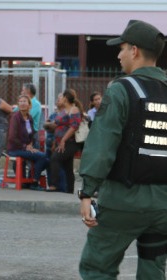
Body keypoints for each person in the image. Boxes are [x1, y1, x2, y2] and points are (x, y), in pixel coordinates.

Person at [78, 20, 167, 279]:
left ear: (135, 51)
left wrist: (87, 192)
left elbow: (102, 144)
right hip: (163, 206)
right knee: (153, 269)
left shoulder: (122, 90)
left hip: (123, 201)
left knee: (97, 267)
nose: (118, 55)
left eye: (123, 48)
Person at [6, 95, 49, 190]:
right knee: (42, 156)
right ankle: (34, 182)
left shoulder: (29, 118)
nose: (22, 103)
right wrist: (25, 146)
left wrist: (30, 144)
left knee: (46, 159)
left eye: (24, 101)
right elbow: (12, 137)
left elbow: (32, 134)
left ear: (29, 105)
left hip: (25, 148)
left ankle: (29, 180)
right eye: (20, 101)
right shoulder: (15, 117)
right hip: (15, 149)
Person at [47, 89, 83, 193]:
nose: (60, 99)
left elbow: (74, 126)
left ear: (66, 98)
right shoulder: (63, 111)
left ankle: (53, 185)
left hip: (70, 142)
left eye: (61, 97)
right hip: (60, 142)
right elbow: (57, 125)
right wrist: (55, 142)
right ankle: (69, 190)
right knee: (68, 166)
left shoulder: (74, 110)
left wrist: (63, 140)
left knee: (55, 158)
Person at [18, 83, 42, 148]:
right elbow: (14, 112)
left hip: (31, 134)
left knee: (33, 154)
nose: (21, 92)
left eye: (23, 90)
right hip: (23, 133)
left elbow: (26, 117)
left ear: (28, 91)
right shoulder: (23, 102)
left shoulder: (36, 104)